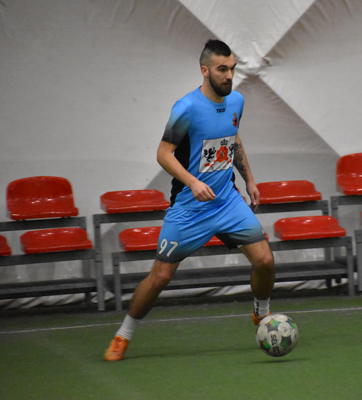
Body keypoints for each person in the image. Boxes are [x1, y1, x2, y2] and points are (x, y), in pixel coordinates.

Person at [104, 39, 275, 361]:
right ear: (205, 70)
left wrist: (249, 179)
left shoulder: (236, 101)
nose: (229, 75)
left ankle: (262, 314)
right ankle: (123, 335)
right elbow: (163, 153)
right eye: (222, 69)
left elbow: (233, 140)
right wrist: (193, 182)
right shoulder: (186, 108)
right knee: (160, 277)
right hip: (190, 208)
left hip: (227, 201)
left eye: (232, 69)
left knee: (265, 261)